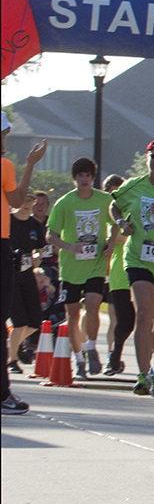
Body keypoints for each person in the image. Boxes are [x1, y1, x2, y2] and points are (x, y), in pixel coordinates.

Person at [48, 157, 114, 381]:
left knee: (94, 305)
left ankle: (92, 348)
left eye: (87, 176)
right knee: (73, 315)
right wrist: (69, 247)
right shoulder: (64, 203)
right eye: (80, 176)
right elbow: (50, 235)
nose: (84, 180)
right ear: (74, 178)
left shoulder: (105, 199)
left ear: (93, 178)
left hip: (95, 265)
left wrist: (111, 243)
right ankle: (79, 361)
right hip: (70, 268)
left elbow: (118, 221)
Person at [1, 115, 46, 415]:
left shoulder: (5, 166)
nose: (5, 138)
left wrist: (27, 165)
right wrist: (30, 164)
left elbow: (16, 202)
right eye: (4, 133)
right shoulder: (4, 165)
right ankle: (3, 394)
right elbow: (17, 201)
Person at [100, 173, 135, 377]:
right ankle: (114, 355)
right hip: (119, 272)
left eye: (117, 192)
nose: (114, 197)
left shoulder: (133, 209)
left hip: (140, 268)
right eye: (110, 193)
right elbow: (110, 239)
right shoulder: (110, 215)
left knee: (147, 319)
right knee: (124, 320)